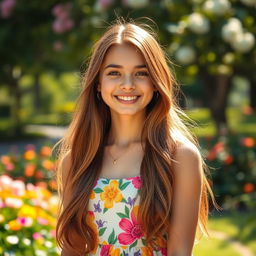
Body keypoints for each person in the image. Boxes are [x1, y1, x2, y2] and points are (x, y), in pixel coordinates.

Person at [53, 18, 218, 256]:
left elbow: (180, 252)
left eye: (141, 73)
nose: (127, 84)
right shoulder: (76, 160)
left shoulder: (179, 157)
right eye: (114, 73)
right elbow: (72, 249)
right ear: (98, 84)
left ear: (155, 82)